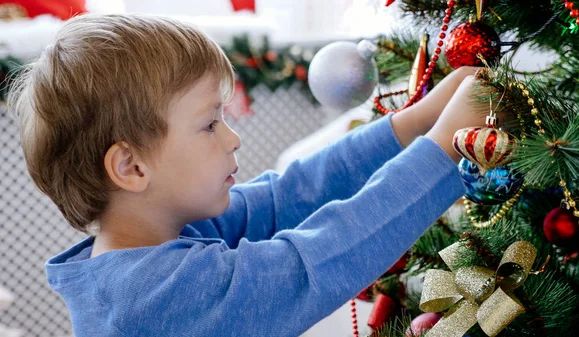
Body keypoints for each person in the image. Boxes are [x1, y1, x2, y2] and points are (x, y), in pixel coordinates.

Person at [8, 13, 490, 337]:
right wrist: (443, 151)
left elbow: (288, 197)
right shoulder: (155, 297)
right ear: (132, 167)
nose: (232, 138)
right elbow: (316, 260)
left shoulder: (165, 235)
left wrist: (411, 124)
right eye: (210, 123)